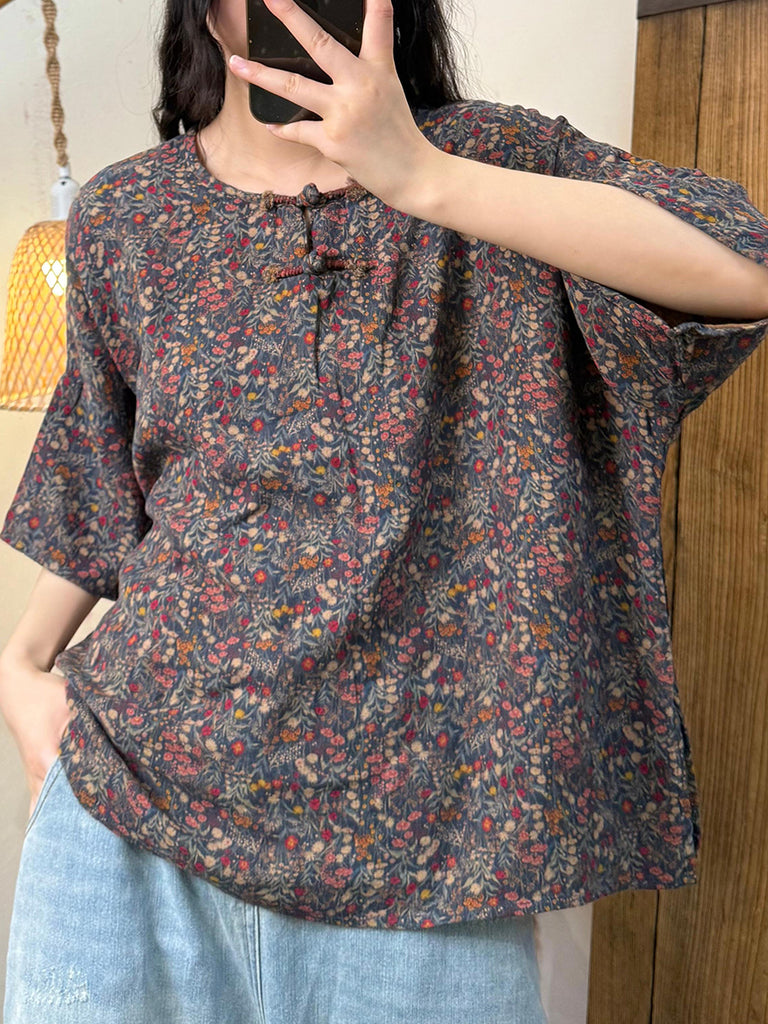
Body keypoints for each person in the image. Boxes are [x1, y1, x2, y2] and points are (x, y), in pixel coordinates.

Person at [1, 0, 768, 1021]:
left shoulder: (493, 162)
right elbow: (106, 483)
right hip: (133, 815)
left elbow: (745, 267)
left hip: (428, 859)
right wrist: (20, 666)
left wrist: (421, 177)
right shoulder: (126, 216)